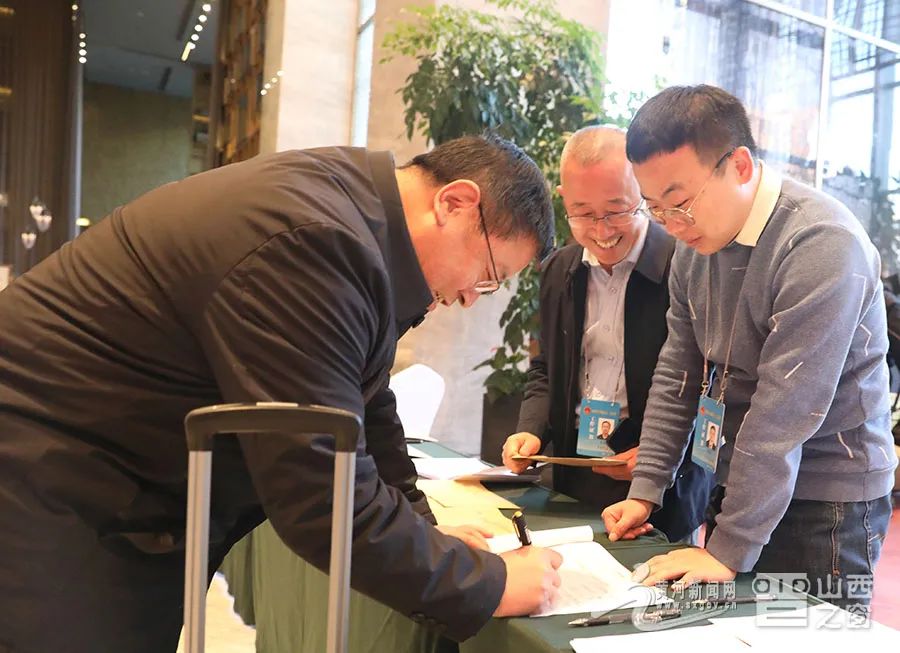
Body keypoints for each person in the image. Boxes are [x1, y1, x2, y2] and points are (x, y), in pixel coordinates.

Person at [0, 135, 563, 652]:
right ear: (455, 203)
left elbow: (364, 403)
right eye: (488, 274)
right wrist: (486, 584)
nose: (470, 296)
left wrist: (427, 533)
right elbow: (321, 493)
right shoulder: (318, 242)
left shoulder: (351, 212)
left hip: (98, 469)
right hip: (52, 471)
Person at [602, 85, 897, 607]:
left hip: (825, 499)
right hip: (741, 477)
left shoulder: (821, 243)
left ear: (738, 166)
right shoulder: (696, 246)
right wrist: (647, 487)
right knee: (733, 633)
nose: (671, 224)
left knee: (804, 638)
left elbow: (785, 410)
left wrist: (729, 546)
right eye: (654, 208)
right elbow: (678, 372)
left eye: (679, 202)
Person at [502, 126, 712, 544]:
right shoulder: (559, 271)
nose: (601, 230)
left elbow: (714, 384)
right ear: (563, 199)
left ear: (643, 193)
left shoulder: (686, 265)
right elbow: (546, 368)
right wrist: (531, 430)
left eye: (617, 211)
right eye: (583, 214)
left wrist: (659, 458)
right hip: (573, 478)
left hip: (663, 490)